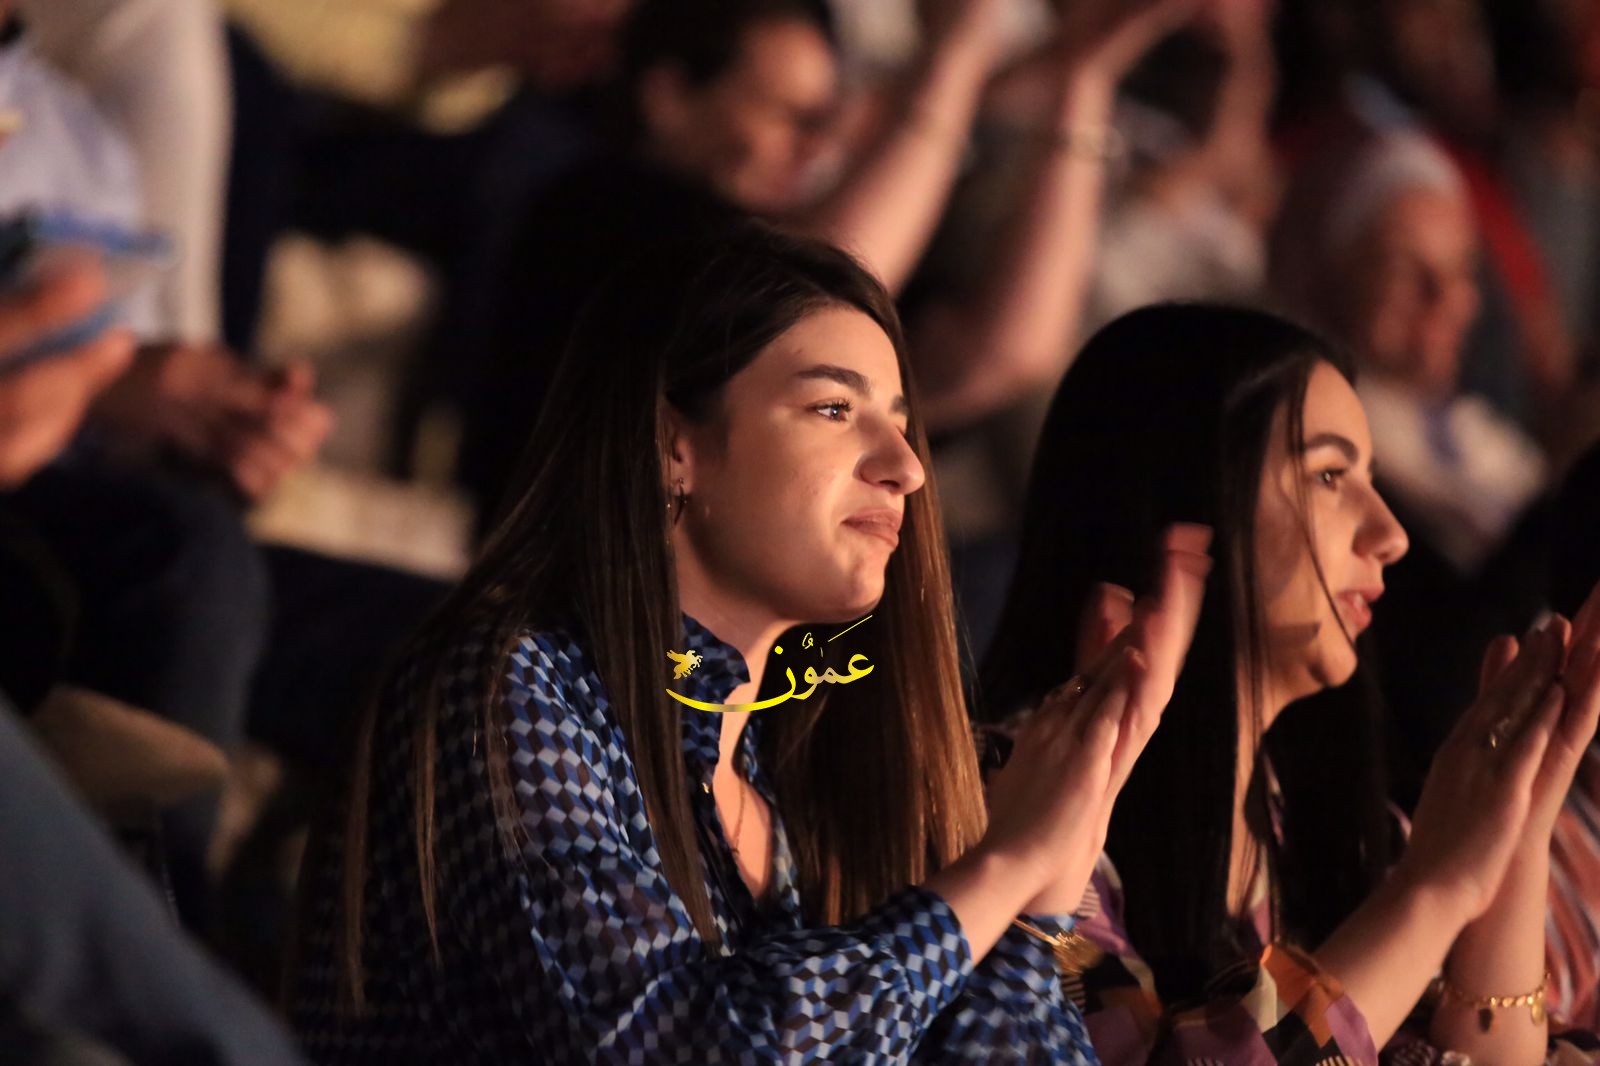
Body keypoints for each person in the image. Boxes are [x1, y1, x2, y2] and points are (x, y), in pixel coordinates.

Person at [289, 223, 1212, 1062]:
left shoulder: (790, 769)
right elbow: (682, 1047)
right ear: (673, 446)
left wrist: (1042, 890)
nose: (906, 466)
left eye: (901, 422)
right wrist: (1003, 866)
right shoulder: (511, 686)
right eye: (834, 409)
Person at [980, 303, 1600, 1063]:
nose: (1391, 535)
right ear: (1190, 497)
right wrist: (1434, 890)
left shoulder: (1334, 831)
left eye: (1371, 479)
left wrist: (1519, 831)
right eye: (1330, 475)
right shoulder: (1013, 794)